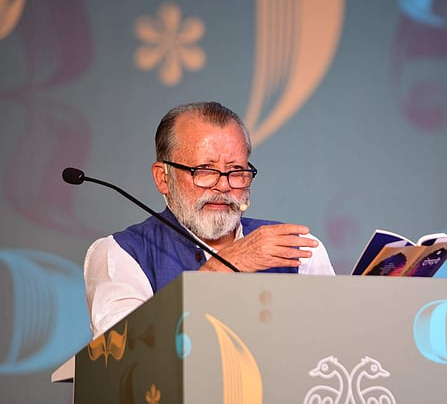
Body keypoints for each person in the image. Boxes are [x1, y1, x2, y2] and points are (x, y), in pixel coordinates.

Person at [84, 101, 334, 336]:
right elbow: (125, 352)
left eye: (236, 170)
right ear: (163, 178)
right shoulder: (120, 253)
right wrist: (226, 265)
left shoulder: (297, 250)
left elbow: (333, 342)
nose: (223, 186)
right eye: (204, 170)